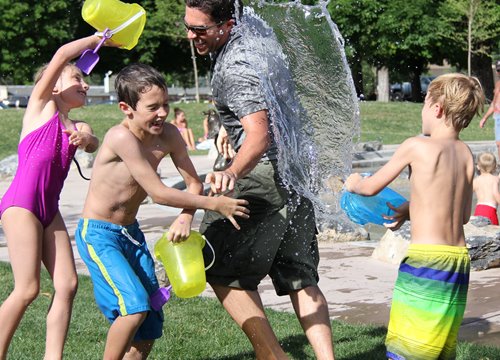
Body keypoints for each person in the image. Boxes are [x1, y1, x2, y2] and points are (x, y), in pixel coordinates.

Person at [184, 1, 335, 359]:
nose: (191, 36)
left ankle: (272, 354)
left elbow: (259, 135)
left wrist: (232, 170)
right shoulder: (258, 38)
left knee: (218, 266)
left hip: (260, 174)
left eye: (200, 29)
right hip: (295, 172)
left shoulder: (236, 67)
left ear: (227, 24)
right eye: (188, 26)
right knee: (299, 274)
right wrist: (227, 127)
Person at [74, 63, 249, 360]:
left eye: (166, 104)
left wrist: (185, 216)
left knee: (150, 318)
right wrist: (214, 204)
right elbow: (157, 192)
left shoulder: (168, 134)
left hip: (130, 234)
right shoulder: (121, 137)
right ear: (126, 108)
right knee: (134, 307)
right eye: (153, 107)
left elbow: (194, 182)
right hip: (99, 235)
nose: (163, 113)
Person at [345, 73, 485, 359]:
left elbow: (371, 187)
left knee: (408, 348)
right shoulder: (466, 153)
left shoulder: (416, 146)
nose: (422, 110)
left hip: (426, 261)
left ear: (437, 109)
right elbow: (462, 216)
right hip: (457, 263)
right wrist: (411, 209)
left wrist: (353, 183)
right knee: (438, 347)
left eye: (424, 103)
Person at [0, 35, 107, 358]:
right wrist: (99, 38)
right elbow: (62, 54)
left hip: (49, 210)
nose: (85, 85)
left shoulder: (77, 124)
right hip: (22, 206)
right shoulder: (40, 107)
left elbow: (92, 140)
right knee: (28, 288)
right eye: (78, 78)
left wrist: (85, 137)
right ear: (55, 86)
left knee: (67, 285)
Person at [479, 60, 500, 159]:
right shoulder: (497, 84)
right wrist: (485, 118)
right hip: (498, 116)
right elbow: (494, 104)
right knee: (499, 144)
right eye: (499, 70)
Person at [473, 152, 500, 225]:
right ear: (494, 166)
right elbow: (495, 194)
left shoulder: (476, 181)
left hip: (478, 210)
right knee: (493, 234)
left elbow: (466, 194)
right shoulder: (495, 179)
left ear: (478, 166)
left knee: (479, 233)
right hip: (490, 210)